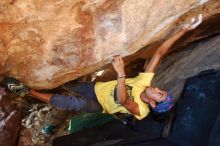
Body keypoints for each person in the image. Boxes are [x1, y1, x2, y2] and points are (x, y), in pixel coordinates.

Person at [3, 15, 202, 120]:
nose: (157, 89)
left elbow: (124, 101)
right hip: (96, 88)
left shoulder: (141, 110)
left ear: (152, 104)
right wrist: (184, 29)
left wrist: (121, 73)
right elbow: (159, 54)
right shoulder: (145, 83)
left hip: (100, 105)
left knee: (73, 103)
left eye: (158, 94)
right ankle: (50, 88)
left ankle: (28, 92)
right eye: (160, 90)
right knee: (70, 87)